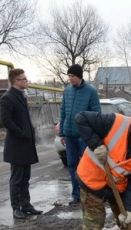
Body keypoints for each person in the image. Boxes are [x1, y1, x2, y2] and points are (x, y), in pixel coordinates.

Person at [0, 68, 42, 219]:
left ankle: (26, 205)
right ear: (16, 81)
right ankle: (16, 207)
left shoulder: (21, 96)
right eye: (24, 79)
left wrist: (31, 133)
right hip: (16, 145)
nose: (27, 81)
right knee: (16, 178)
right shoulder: (8, 97)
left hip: (26, 145)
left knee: (25, 178)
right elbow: (6, 120)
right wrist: (22, 133)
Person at [58, 64, 101, 205]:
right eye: (69, 76)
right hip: (69, 135)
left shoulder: (91, 92)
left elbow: (96, 114)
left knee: (88, 165)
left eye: (73, 76)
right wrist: (62, 133)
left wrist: (93, 134)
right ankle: (76, 195)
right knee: (72, 164)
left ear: (80, 76)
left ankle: (90, 193)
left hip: (84, 136)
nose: (70, 79)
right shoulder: (67, 91)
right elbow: (63, 112)